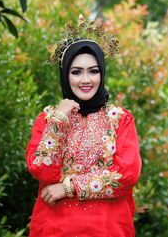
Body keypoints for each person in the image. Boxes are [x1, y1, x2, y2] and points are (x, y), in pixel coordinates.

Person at [26, 15, 142, 237]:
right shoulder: (48, 118)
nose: (85, 79)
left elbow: (127, 175)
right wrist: (59, 120)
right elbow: (41, 170)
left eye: (93, 71)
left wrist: (69, 187)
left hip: (108, 229)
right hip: (54, 228)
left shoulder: (120, 118)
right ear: (65, 75)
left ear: (102, 73)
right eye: (76, 71)